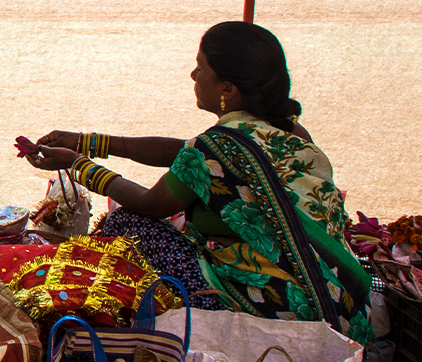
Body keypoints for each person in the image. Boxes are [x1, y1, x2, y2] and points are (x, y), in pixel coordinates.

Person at [24, 22, 371, 344]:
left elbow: (149, 203)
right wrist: (89, 141)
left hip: (274, 312)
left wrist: (79, 166)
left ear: (228, 89)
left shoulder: (215, 149)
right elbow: (184, 152)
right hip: (335, 306)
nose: (194, 74)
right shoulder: (290, 134)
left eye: (201, 67)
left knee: (127, 223)